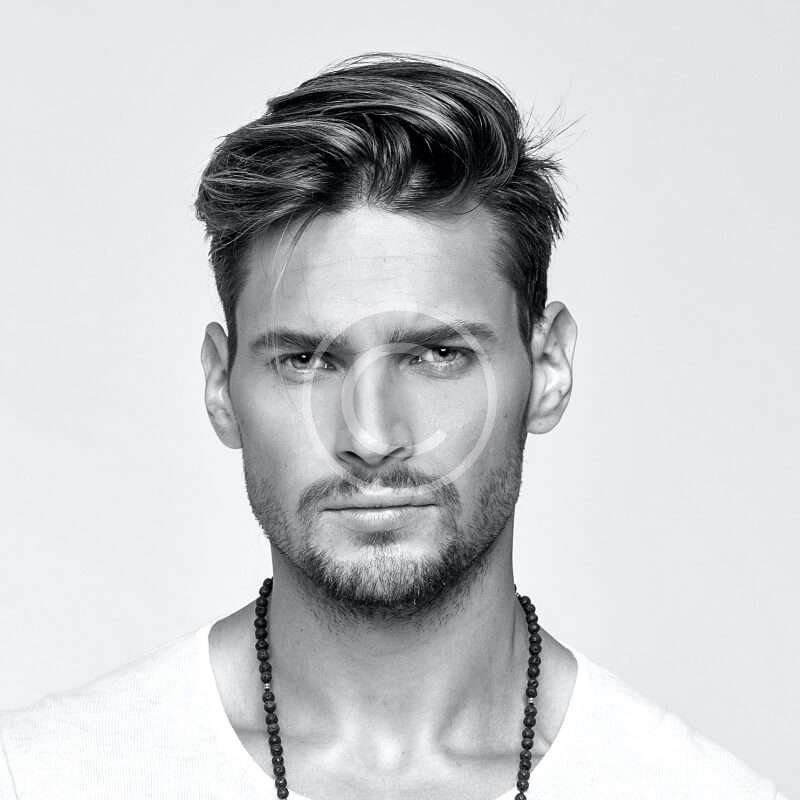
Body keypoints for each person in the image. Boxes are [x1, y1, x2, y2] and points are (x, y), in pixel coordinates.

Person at [0, 54, 789, 800]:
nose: (372, 438)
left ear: (548, 368)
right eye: (305, 360)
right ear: (220, 386)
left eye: (438, 355)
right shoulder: (45, 777)